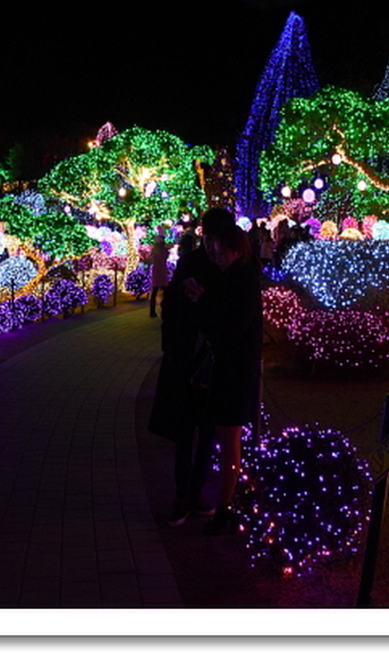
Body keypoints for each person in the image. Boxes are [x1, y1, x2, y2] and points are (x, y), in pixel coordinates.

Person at [146, 211, 233, 526]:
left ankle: (196, 492)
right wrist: (171, 345)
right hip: (187, 358)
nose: (211, 245)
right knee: (185, 432)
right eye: (207, 238)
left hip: (213, 361)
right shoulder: (191, 262)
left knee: (207, 432)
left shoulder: (230, 267)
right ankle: (182, 495)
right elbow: (171, 304)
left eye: (216, 239)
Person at [192, 215, 263, 535]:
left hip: (235, 369)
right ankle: (228, 501)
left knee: (229, 440)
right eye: (215, 251)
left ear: (236, 250)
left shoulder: (242, 279)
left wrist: (204, 304)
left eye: (222, 252)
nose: (217, 256)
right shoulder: (233, 276)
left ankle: (226, 506)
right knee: (227, 438)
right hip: (231, 368)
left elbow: (231, 327)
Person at [149, 226, 170, 318]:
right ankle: (165, 310)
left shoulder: (155, 249)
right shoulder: (163, 250)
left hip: (157, 271)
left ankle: (152, 311)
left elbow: (152, 258)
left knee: (155, 291)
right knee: (165, 292)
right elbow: (165, 256)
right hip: (162, 271)